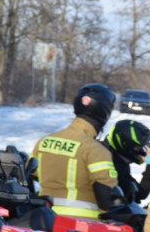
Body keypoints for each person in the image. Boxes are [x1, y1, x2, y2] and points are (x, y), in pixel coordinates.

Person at [32, 83, 121, 219]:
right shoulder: (96, 150)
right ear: (105, 112)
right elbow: (106, 194)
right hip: (84, 224)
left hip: (44, 218)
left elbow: (32, 172)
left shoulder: (43, 142)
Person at [103, 118, 150, 205]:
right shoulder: (116, 165)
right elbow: (139, 193)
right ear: (125, 145)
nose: (141, 151)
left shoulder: (109, 152)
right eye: (138, 147)